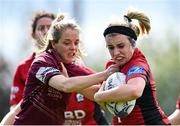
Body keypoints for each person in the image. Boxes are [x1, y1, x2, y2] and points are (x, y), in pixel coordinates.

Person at [11, 13, 118, 125]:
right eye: (67, 43)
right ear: (54, 43)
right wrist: (105, 74)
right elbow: (65, 85)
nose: (73, 47)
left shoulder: (73, 68)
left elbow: (96, 93)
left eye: (76, 43)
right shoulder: (41, 63)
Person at [94, 8, 171, 125]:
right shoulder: (111, 66)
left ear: (133, 44)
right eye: (111, 47)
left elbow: (134, 90)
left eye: (121, 46)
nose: (116, 53)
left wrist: (99, 96)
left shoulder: (138, 64)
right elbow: (109, 104)